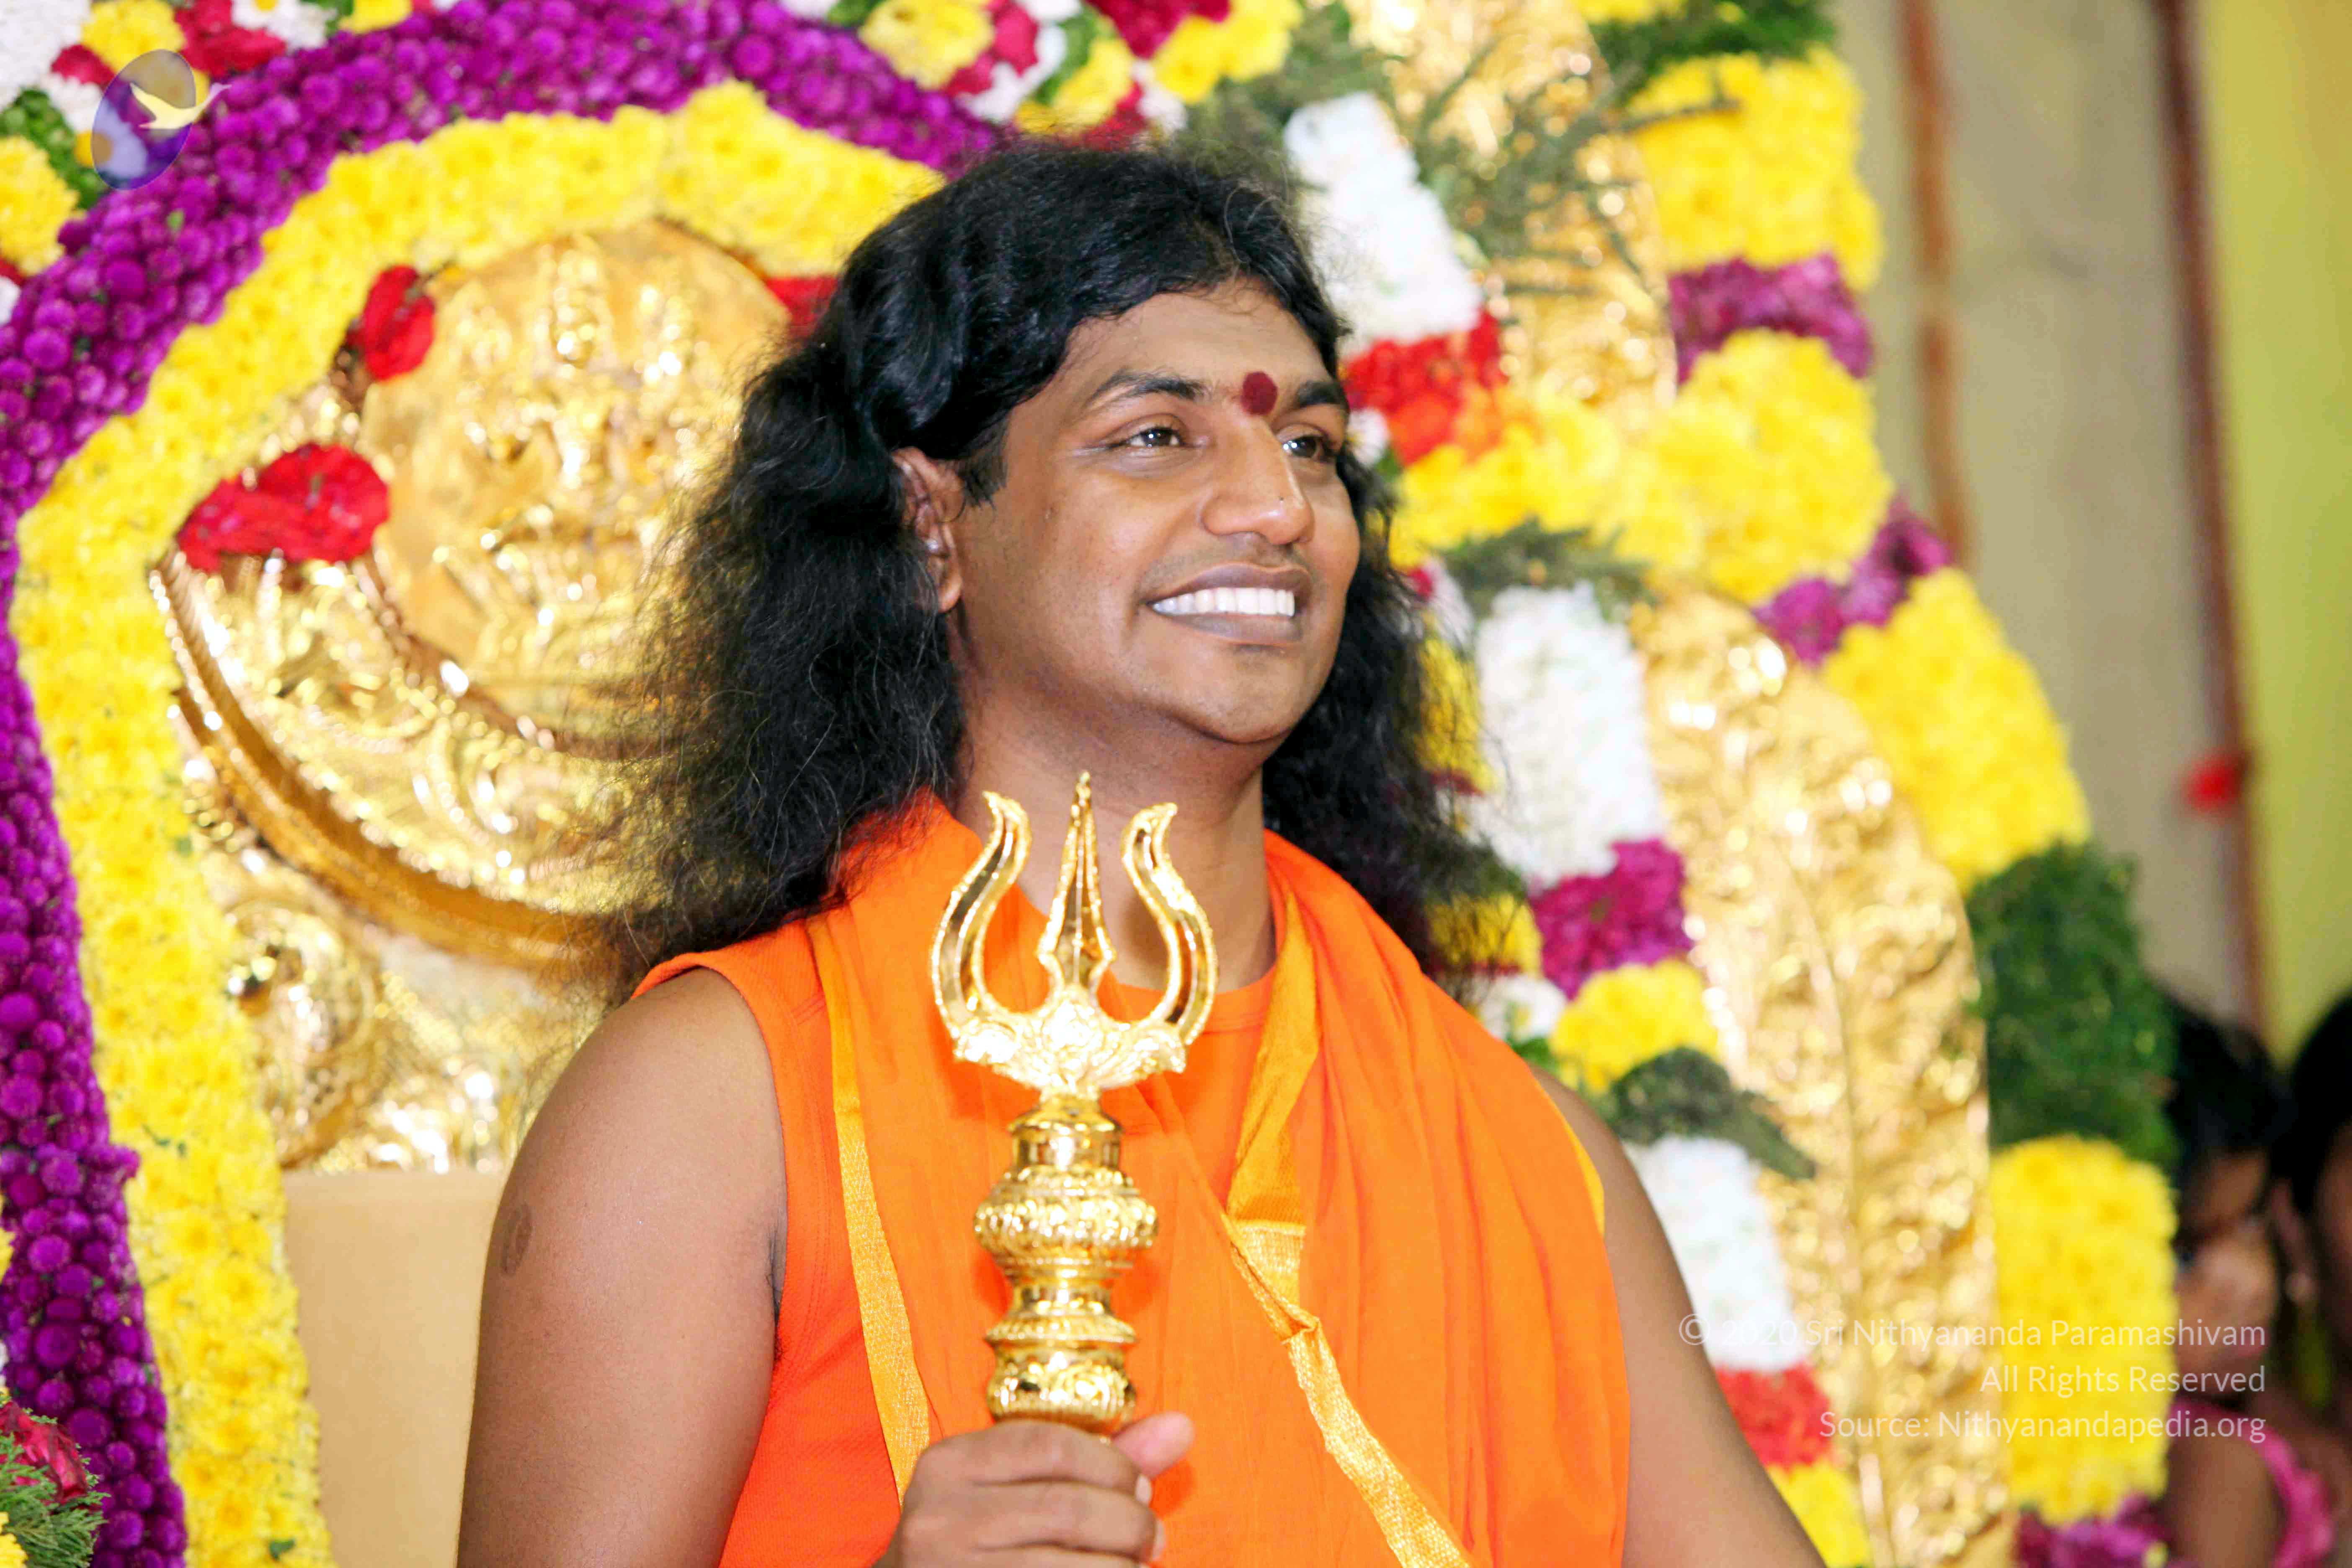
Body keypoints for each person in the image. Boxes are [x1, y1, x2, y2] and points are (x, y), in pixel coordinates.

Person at [456, 144, 1825, 1567]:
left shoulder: (1523, 1149)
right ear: (932, 527)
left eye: (1309, 446)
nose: (1274, 507)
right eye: (1158, 436)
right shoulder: (719, 1098)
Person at [2158, 996, 2339, 1568]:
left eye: (2253, 1223)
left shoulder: (2222, 1451)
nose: (2254, 1282)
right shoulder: (2213, 1458)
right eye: (2187, 1256)